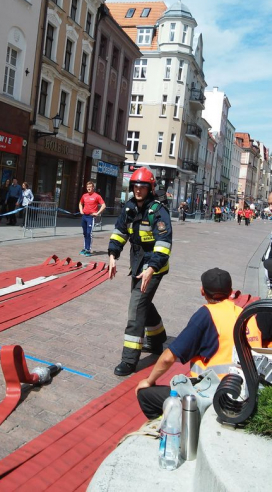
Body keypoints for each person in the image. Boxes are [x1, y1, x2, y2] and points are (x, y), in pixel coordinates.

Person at [135, 267, 262, 419]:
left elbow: (168, 358)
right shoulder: (245, 315)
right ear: (231, 292)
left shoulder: (206, 315)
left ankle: (173, 430)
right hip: (246, 393)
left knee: (145, 395)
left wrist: (149, 381)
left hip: (213, 395)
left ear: (202, 291)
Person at [108, 167, 172, 377]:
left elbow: (163, 244)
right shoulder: (129, 208)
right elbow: (119, 233)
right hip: (137, 263)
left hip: (154, 265)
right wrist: (112, 255)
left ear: (150, 188)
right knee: (143, 302)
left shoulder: (158, 211)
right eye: (135, 186)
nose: (138, 190)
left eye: (142, 186)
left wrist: (151, 269)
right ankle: (157, 339)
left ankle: (129, 360)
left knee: (136, 307)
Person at [79, 181, 106, 257]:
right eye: (87, 187)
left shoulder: (97, 196)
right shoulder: (84, 196)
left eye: (90, 187)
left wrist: (98, 213)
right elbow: (80, 203)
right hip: (84, 216)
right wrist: (81, 210)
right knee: (84, 233)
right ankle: (85, 248)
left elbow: (103, 205)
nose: (89, 188)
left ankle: (88, 249)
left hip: (91, 217)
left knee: (89, 233)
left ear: (93, 187)